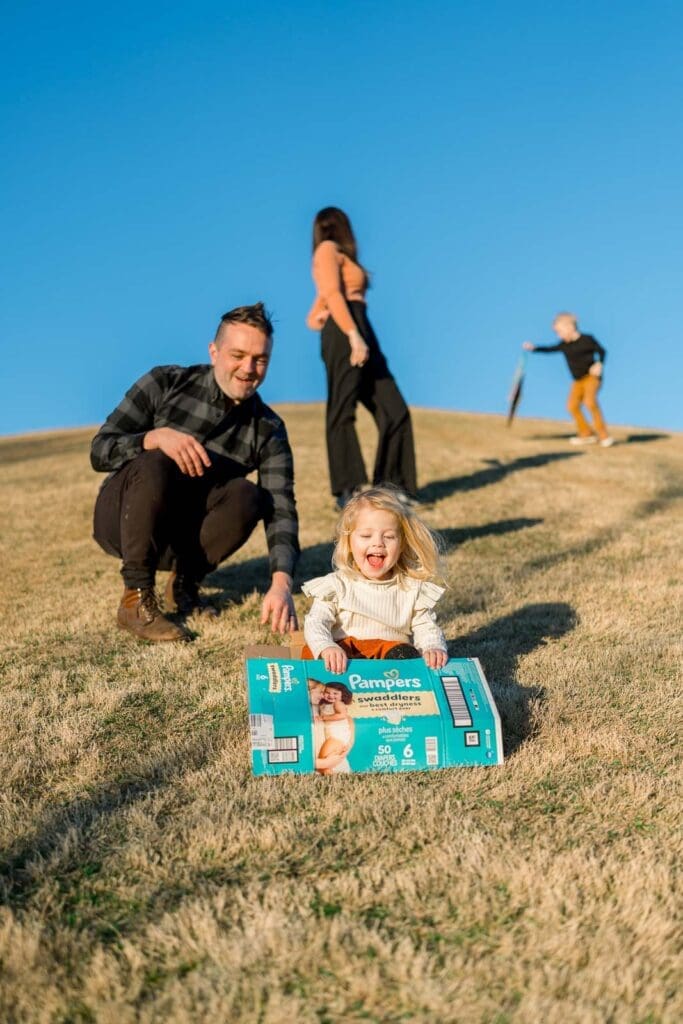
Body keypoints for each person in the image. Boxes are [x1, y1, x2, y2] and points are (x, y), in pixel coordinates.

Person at [91, 302, 299, 642]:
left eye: (260, 359)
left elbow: (281, 509)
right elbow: (100, 450)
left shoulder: (268, 428)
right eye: (238, 355)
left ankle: (184, 585)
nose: (249, 369)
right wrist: (152, 438)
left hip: (188, 537)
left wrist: (281, 584)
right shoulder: (164, 383)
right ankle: (136, 599)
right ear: (214, 352)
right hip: (123, 521)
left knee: (250, 495)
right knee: (157, 459)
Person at [306, 207, 417, 508]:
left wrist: (324, 319)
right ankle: (347, 490)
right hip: (348, 330)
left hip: (358, 324)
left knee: (395, 409)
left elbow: (317, 310)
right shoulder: (327, 250)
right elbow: (332, 294)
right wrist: (352, 334)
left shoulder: (338, 255)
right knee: (342, 408)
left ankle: (392, 488)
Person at [301, 487, 448, 673]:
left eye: (389, 536)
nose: (378, 543)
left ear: (402, 544)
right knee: (310, 651)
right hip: (343, 658)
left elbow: (426, 627)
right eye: (366, 536)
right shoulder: (337, 585)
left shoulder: (411, 588)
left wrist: (433, 647)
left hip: (388, 658)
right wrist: (326, 646)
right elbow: (316, 622)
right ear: (349, 542)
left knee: (401, 652)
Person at [523, 312, 614, 447]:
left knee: (589, 402)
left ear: (570, 327)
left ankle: (604, 436)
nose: (558, 335)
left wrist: (599, 364)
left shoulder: (587, 339)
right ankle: (586, 434)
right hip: (577, 380)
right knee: (572, 406)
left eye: (559, 331)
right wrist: (534, 348)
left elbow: (602, 351)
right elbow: (549, 349)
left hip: (592, 377)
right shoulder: (564, 345)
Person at [308, 680, 354, 774]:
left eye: (335, 693)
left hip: (337, 736)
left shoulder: (338, 703)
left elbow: (343, 715)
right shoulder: (323, 705)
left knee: (325, 758)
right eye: (327, 692)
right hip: (332, 736)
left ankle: (329, 775)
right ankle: (328, 773)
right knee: (325, 759)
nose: (331, 695)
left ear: (342, 695)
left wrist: (323, 718)